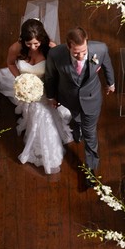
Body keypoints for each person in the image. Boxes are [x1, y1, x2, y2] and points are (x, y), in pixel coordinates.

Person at [0, 19, 72, 174]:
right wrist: (20, 79)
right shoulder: (16, 48)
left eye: (36, 44)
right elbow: (10, 63)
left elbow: (60, 73)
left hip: (47, 90)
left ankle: (50, 152)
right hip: (28, 91)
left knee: (45, 117)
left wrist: (55, 95)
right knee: (35, 115)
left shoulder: (52, 48)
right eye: (29, 44)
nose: (32, 47)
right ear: (23, 40)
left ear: (42, 40)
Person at [45, 26, 115, 175]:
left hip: (92, 99)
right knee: (76, 120)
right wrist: (51, 96)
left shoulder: (100, 49)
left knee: (90, 133)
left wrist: (111, 83)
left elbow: (107, 65)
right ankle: (77, 131)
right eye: (76, 53)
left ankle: (91, 169)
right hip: (68, 98)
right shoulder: (55, 54)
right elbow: (50, 77)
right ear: (68, 46)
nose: (81, 56)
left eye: (84, 52)